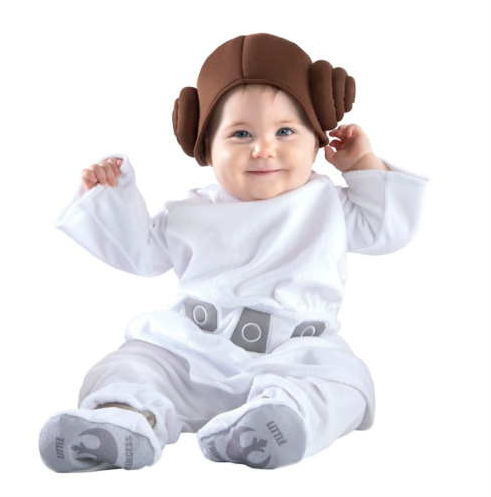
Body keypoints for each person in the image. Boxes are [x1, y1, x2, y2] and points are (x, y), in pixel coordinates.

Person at [39, 33, 431, 472]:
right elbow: (141, 253)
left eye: (285, 131)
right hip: (191, 350)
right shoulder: (189, 212)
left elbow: (387, 229)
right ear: (206, 147)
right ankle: (123, 420)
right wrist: (112, 194)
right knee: (131, 364)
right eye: (241, 133)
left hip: (295, 355)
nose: (263, 148)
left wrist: (362, 165)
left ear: (317, 143)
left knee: (347, 383)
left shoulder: (328, 205)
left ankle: (277, 421)